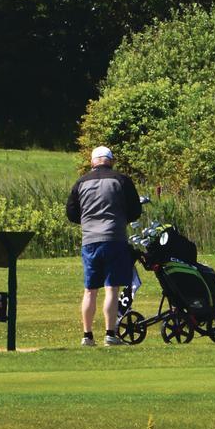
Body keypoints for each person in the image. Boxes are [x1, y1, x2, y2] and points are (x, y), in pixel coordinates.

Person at [66, 145, 142, 347]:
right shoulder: (121, 180)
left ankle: (87, 335)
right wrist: (121, 218)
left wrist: (88, 221)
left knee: (90, 290)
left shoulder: (81, 182)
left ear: (92, 162)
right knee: (111, 288)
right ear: (111, 161)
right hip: (114, 238)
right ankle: (110, 334)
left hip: (90, 240)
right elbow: (135, 210)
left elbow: (71, 213)